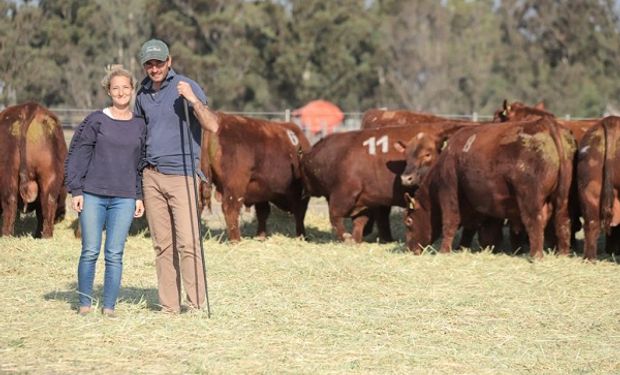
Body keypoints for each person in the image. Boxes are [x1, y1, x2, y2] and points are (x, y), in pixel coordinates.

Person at [135, 39, 219, 314]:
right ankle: (170, 306)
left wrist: (193, 100)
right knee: (162, 244)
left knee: (188, 241)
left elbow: (213, 125)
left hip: (182, 175)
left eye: (159, 62)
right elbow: (138, 132)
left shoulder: (185, 85)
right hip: (152, 176)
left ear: (169, 61)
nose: (155, 67)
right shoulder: (142, 92)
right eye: (149, 63)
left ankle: (196, 304)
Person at [65, 67, 146, 317]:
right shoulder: (96, 120)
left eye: (125, 87)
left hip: (124, 198)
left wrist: (138, 195)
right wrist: (76, 189)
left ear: (132, 90)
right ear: (108, 91)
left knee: (114, 253)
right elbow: (79, 153)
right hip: (93, 195)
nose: (121, 92)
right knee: (90, 250)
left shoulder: (140, 124)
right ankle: (85, 304)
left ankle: (109, 307)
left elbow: (141, 163)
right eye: (115, 88)